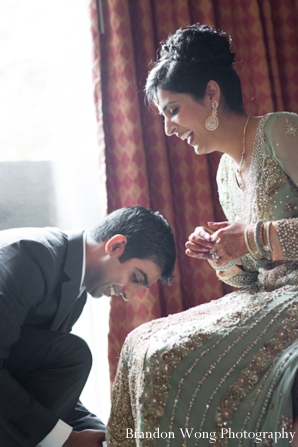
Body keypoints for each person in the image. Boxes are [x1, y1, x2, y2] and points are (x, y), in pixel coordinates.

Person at [106, 24, 298, 447]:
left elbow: (258, 242)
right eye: (163, 116)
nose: (168, 129)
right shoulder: (225, 173)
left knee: (165, 356)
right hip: (265, 297)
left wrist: (251, 237)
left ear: (211, 94)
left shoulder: (282, 131)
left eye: (172, 110)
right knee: (140, 341)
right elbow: (246, 280)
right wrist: (221, 253)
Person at [0, 205, 176, 447]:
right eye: (135, 278)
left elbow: (47, 380)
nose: (129, 295)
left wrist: (105, 435)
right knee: (73, 354)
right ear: (115, 246)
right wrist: (64, 440)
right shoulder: (31, 256)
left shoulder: (76, 290)